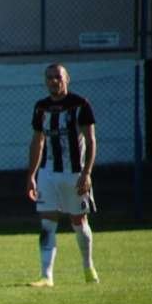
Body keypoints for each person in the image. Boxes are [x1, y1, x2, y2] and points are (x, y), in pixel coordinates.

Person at [27, 63, 99, 287]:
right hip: (48, 173)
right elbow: (38, 141)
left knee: (78, 220)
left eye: (57, 77)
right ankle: (46, 276)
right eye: (49, 77)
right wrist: (32, 174)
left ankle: (88, 268)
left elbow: (90, 140)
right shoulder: (41, 107)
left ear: (66, 79)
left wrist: (87, 173)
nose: (53, 81)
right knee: (47, 221)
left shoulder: (80, 104)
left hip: (75, 173)